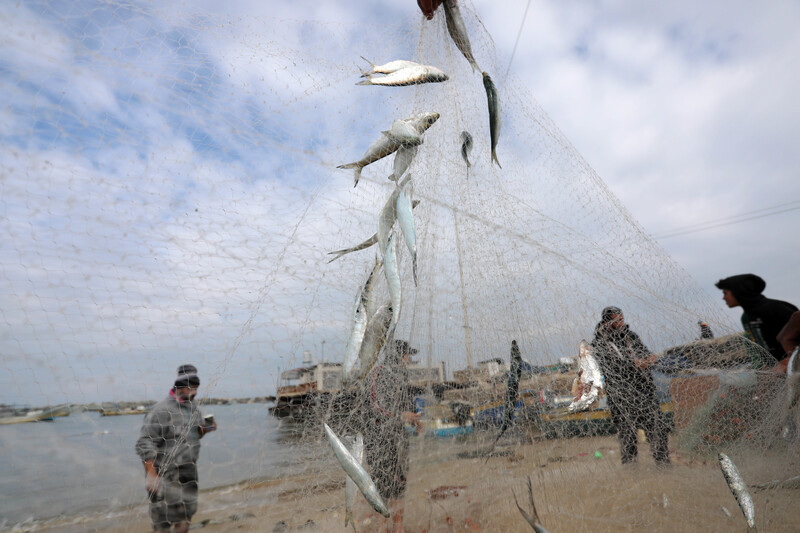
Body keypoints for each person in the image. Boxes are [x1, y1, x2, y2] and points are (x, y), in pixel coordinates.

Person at [135, 365, 217, 533]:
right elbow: (145, 442)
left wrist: (207, 428)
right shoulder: (161, 410)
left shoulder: (193, 408)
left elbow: (194, 434)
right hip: (165, 474)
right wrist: (151, 475)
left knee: (186, 514)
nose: (194, 392)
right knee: (162, 521)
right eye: (191, 388)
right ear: (179, 386)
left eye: (196, 388)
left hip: (189, 470)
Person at [356, 339, 422, 533]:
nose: (409, 359)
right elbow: (376, 408)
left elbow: (405, 406)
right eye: (406, 355)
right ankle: (383, 528)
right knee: (383, 487)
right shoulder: (377, 374)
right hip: (378, 440)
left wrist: (414, 420)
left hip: (398, 439)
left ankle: (399, 528)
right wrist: (402, 416)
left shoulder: (402, 375)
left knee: (400, 484)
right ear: (399, 356)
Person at [591, 307, 670, 466]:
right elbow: (609, 368)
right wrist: (635, 364)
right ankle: (631, 472)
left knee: (658, 431)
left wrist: (650, 359)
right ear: (607, 323)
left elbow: (644, 353)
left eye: (622, 319)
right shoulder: (599, 343)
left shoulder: (631, 336)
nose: (622, 323)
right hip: (621, 398)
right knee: (628, 438)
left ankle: (664, 467)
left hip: (645, 392)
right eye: (617, 320)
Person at [715, 274, 798, 367]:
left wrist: (788, 362)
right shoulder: (746, 317)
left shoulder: (777, 308)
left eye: (725, 293)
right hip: (774, 370)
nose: (723, 298)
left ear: (738, 292)